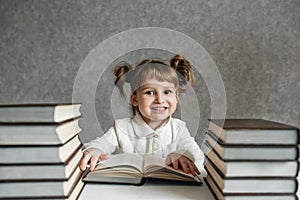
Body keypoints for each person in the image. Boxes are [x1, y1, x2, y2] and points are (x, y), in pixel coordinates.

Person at [79, 54, 204, 176]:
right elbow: (101, 143)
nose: (160, 100)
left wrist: (183, 154)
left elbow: (197, 155)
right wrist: (95, 150)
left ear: (176, 98)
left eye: (167, 92)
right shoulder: (122, 127)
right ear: (135, 100)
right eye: (149, 92)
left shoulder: (178, 129)